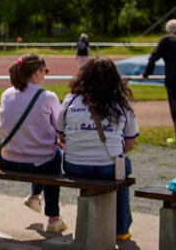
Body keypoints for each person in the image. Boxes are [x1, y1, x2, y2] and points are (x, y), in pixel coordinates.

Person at [58, 56, 138, 240]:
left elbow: (61, 136)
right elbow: (130, 144)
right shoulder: (122, 104)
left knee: (121, 168)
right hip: (108, 167)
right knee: (122, 168)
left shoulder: (71, 100)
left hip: (73, 166)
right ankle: (121, 229)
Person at [0, 54, 66, 233]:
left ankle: (34, 196)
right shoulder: (47, 97)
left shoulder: (6, 94)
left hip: (8, 160)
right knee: (53, 157)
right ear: (37, 72)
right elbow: (60, 128)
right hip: (39, 164)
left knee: (42, 153)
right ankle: (53, 218)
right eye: (44, 72)